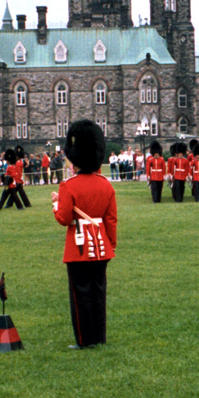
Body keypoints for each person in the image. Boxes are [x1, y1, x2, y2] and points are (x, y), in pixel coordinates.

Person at [51, 119, 117, 350]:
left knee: (81, 296)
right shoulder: (106, 185)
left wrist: (56, 205)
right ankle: (99, 337)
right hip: (102, 247)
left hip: (78, 247)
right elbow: (111, 220)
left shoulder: (68, 186)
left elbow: (64, 219)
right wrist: (112, 244)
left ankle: (84, 340)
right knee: (98, 294)